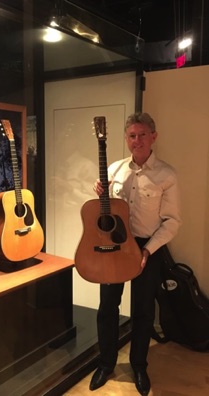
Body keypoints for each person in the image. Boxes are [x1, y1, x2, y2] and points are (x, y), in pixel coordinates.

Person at [90, 112, 181, 395]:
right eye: (132, 135)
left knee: (142, 311)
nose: (137, 140)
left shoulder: (167, 175)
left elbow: (173, 222)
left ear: (154, 136)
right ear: (126, 139)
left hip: (147, 246)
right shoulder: (115, 169)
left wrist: (147, 250)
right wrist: (98, 191)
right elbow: (106, 211)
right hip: (115, 246)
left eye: (142, 134)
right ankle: (106, 363)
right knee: (107, 308)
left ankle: (139, 366)